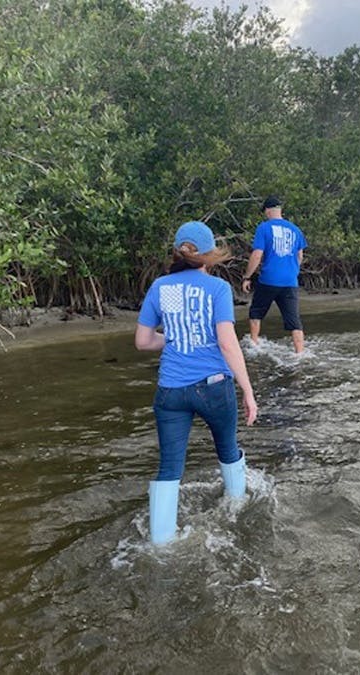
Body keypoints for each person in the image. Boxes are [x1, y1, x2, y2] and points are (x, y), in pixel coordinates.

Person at [135, 221, 258, 546]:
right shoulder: (217, 290)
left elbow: (143, 342)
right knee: (228, 450)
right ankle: (236, 509)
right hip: (214, 387)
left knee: (169, 468)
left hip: (170, 392)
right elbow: (227, 343)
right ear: (208, 256)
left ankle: (160, 544)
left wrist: (176, 338)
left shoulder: (160, 287)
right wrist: (247, 390)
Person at [241, 196, 307, 353]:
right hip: (290, 281)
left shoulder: (264, 228)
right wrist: (293, 272)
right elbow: (300, 256)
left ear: (268, 211)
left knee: (256, 312)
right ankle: (300, 353)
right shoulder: (296, 230)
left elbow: (257, 255)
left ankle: (254, 344)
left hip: (269, 280)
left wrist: (247, 277)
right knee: (294, 321)